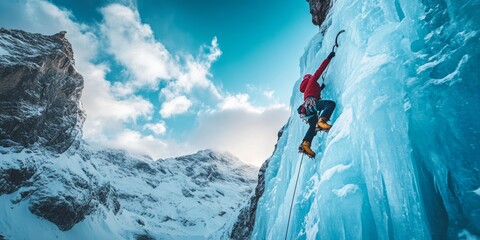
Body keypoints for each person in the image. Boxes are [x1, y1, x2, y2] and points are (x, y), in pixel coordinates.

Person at [298, 51, 336, 158]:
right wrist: (329, 57)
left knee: (312, 126)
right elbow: (320, 70)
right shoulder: (312, 80)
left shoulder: (307, 89)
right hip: (312, 104)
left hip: (306, 110)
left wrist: (321, 88)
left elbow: (314, 92)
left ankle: (305, 144)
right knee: (330, 104)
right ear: (309, 78)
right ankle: (322, 121)